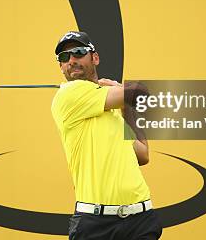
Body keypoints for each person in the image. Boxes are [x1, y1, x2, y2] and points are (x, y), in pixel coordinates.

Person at [50, 31, 163, 240]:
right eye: (64, 57)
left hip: (140, 219)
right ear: (61, 66)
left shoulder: (111, 111)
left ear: (95, 57)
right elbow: (140, 92)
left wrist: (124, 108)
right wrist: (121, 90)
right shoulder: (68, 95)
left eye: (78, 52)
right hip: (96, 224)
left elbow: (142, 154)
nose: (71, 60)